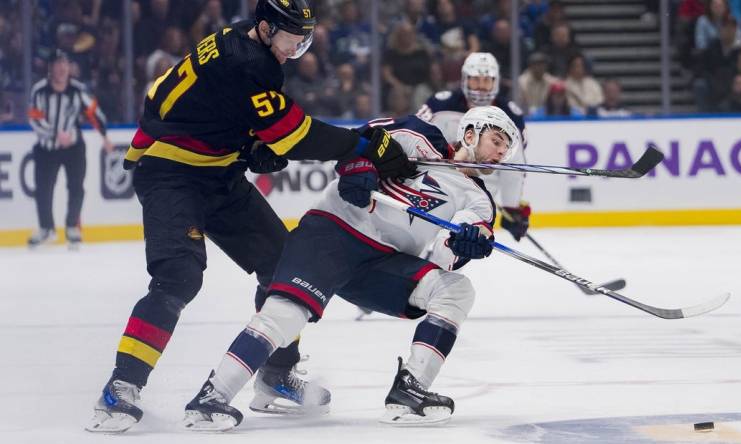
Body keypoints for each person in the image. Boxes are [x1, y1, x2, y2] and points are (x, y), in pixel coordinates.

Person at [86, 0, 415, 433]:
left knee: (286, 265)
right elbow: (295, 135)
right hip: (170, 172)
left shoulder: (244, 39)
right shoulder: (248, 62)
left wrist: (246, 145)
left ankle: (276, 376)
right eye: (293, 40)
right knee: (179, 276)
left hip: (217, 172)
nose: (296, 50)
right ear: (265, 28)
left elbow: (203, 106)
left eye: (304, 41)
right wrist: (361, 145)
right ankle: (120, 386)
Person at [181, 106, 519, 430]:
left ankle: (409, 391)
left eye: (506, 148)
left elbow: (444, 257)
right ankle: (212, 397)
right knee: (286, 314)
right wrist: (359, 168)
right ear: (471, 133)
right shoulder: (420, 136)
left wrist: (464, 245)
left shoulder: (479, 202)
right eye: (497, 141)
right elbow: (360, 141)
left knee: (456, 290)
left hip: (382, 264)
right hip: (334, 232)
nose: (501, 153)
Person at [416, 52, 531, 244]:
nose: (481, 86)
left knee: (455, 244)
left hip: (479, 190)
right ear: (464, 80)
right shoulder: (439, 105)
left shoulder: (511, 116)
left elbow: (513, 168)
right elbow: (415, 136)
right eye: (475, 80)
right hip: (437, 181)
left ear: (496, 82)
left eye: (486, 80)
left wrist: (512, 208)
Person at [27, 50, 113, 248]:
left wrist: (105, 137)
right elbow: (34, 118)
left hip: (74, 147)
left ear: (68, 67)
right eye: (57, 64)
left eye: (64, 63)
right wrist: (55, 134)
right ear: (50, 69)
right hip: (46, 147)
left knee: (76, 187)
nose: (61, 68)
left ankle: (72, 227)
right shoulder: (39, 90)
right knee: (43, 189)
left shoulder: (78, 90)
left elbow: (94, 113)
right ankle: (46, 228)